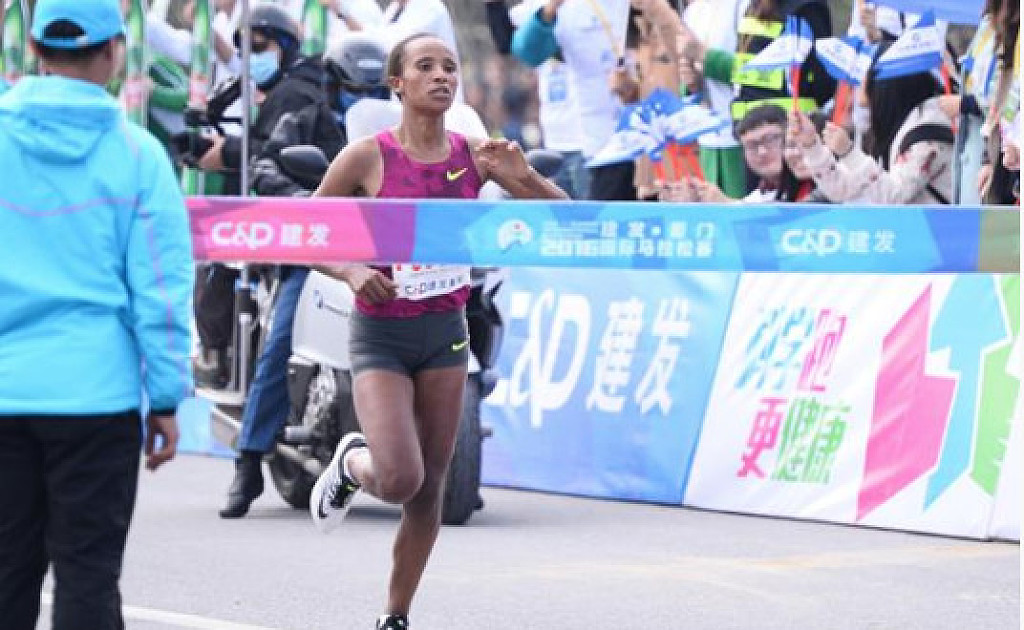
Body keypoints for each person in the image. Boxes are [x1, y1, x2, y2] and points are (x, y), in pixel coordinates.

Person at [308, 33, 567, 630]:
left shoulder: (478, 155)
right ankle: (352, 464)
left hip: (446, 332)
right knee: (400, 478)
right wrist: (352, 270)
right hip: (381, 334)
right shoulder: (365, 157)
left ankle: (394, 616)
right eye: (425, 67)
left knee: (430, 491)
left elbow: (563, 218)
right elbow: (306, 232)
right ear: (397, 84)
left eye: (449, 67)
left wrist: (525, 176)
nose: (441, 76)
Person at [0, 0, 193, 627]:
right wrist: (166, 397)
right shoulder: (139, 157)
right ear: (115, 54)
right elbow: (160, 288)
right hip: (96, 400)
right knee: (87, 578)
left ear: (35, 50)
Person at [220, 32, 392, 518]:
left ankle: (454, 455)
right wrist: (307, 202)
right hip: (321, 250)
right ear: (333, 87)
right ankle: (248, 462)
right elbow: (264, 168)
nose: (366, 101)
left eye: (376, 92)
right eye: (356, 91)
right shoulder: (303, 119)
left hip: (392, 253)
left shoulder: (403, 131)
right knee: (281, 343)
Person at [192, 2, 325, 389]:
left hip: (300, 216)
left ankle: (222, 359)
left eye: (261, 47)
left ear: (286, 47)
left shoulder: (295, 93)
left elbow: (272, 152)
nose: (252, 58)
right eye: (245, 49)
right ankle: (222, 357)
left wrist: (228, 152)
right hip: (277, 203)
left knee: (220, 258)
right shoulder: (277, 90)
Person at [792, 40, 954, 205]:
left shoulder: (927, 134)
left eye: (862, 75)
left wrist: (848, 152)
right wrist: (812, 145)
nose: (856, 86)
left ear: (886, 83)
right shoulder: (886, 127)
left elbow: (892, 197)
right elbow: (843, 189)